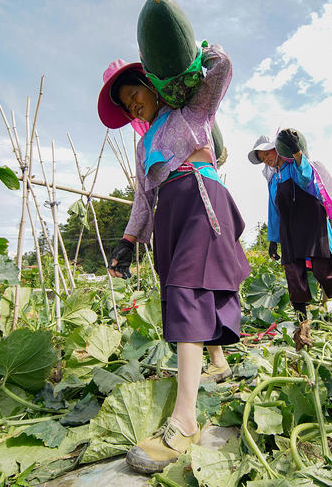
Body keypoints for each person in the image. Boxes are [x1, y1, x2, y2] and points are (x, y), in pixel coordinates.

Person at [96, 45, 250, 474]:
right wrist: (128, 241)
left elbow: (222, 70)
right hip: (171, 215)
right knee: (188, 291)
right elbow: (143, 197)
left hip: (202, 201)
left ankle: (184, 422)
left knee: (187, 291)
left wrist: (200, 57)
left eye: (135, 95)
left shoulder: (190, 112)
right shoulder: (144, 142)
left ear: (150, 83)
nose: (134, 105)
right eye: (127, 105)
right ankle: (216, 362)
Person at [248, 130, 332, 346]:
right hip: (288, 228)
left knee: (322, 268)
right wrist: (273, 238)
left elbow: (306, 178)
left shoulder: (293, 166)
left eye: (267, 153)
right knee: (293, 274)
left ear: (276, 148)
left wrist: (297, 152)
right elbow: (274, 209)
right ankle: (302, 326)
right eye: (262, 159)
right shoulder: (273, 178)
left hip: (311, 222)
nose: (266, 160)